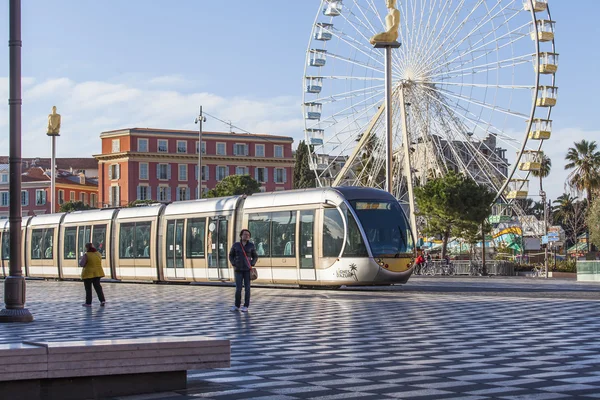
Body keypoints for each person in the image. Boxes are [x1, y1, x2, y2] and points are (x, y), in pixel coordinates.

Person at [228, 229, 258, 313]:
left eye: (248, 235)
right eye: (245, 234)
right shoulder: (236, 245)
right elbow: (230, 255)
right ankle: (237, 305)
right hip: (238, 269)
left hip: (247, 270)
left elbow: (255, 256)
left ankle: (246, 306)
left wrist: (252, 263)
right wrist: (234, 263)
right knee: (238, 288)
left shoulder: (251, 245)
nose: (246, 236)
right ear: (241, 235)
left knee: (247, 288)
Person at [79, 242, 106, 307]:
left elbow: (81, 264)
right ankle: (102, 300)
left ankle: (88, 303)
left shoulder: (86, 255)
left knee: (88, 289)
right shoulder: (98, 254)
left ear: (87, 248)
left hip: (88, 274)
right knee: (98, 288)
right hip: (98, 273)